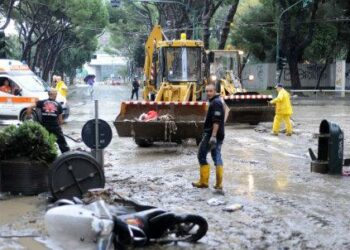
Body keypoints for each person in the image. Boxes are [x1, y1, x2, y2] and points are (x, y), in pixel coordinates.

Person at [192, 84, 225, 190]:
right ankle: (218, 184)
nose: (209, 93)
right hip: (218, 134)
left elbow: (216, 121)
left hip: (212, 134)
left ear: (215, 91)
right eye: (207, 91)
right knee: (216, 156)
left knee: (201, 155)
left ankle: (204, 182)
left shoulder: (216, 103)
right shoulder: (216, 101)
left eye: (211, 91)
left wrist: (213, 136)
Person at [27, 89, 70, 153]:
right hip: (55, 127)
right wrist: (60, 124)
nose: (56, 95)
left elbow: (29, 107)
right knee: (63, 145)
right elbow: (60, 121)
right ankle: (67, 157)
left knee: (41, 143)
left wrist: (29, 118)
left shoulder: (42, 102)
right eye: (56, 94)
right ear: (54, 95)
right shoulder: (58, 105)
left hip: (44, 127)